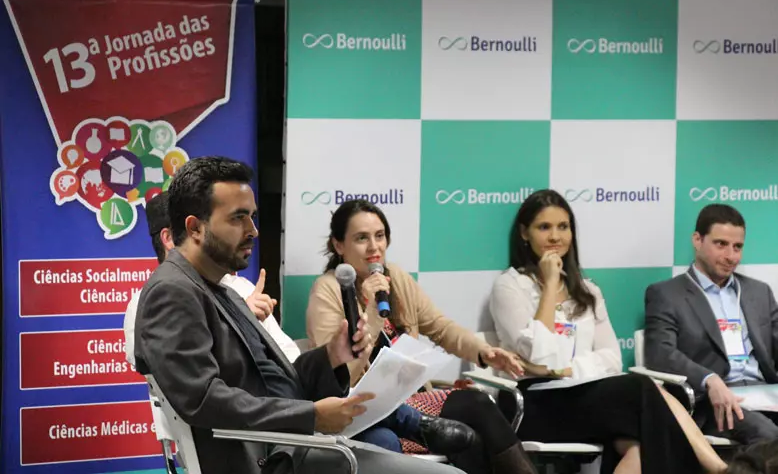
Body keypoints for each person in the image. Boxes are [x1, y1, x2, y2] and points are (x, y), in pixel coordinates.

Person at [133, 156, 468, 474]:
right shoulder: (172, 292)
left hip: (294, 445)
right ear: (195, 228)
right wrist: (312, 416)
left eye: (252, 216)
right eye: (238, 218)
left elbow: (277, 382)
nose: (253, 230)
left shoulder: (219, 289)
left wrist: (331, 356)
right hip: (272, 458)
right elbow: (202, 399)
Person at [488, 188, 729, 474]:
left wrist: (565, 370)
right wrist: (550, 285)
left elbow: (612, 358)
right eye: (544, 227)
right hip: (534, 403)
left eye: (563, 227)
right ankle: (719, 469)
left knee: (638, 445)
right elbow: (537, 354)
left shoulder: (588, 290)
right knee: (642, 390)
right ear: (524, 233)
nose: (555, 236)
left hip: (586, 393)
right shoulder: (509, 286)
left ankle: (720, 470)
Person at [306, 199, 537, 474]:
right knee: (463, 414)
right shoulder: (328, 291)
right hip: (362, 408)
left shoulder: (396, 278)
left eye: (380, 236)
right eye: (361, 238)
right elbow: (335, 373)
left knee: (476, 411)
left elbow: (439, 326)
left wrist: (484, 352)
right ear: (339, 245)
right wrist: (372, 311)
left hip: (411, 398)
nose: (374, 247)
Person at [645, 203, 778, 445]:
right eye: (721, 244)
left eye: (737, 247)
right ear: (697, 240)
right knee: (770, 436)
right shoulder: (667, 294)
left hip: (765, 393)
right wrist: (709, 379)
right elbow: (659, 353)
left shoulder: (759, 292)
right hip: (713, 401)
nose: (731, 256)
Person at [124, 191, 299, 368]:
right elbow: (174, 371)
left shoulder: (241, 288)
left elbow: (288, 355)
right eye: (195, 229)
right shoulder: (145, 303)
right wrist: (241, 321)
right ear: (169, 238)